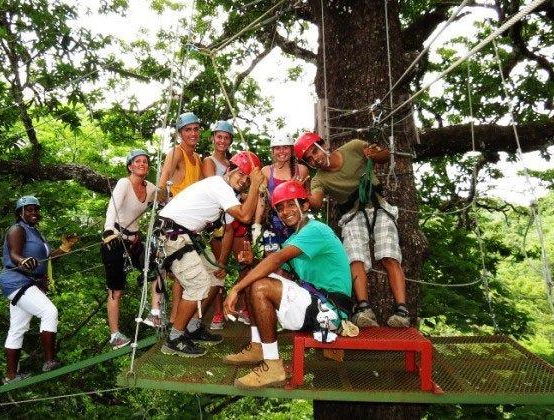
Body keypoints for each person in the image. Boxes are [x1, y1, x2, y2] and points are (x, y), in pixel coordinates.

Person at [222, 181, 353, 388]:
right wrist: (250, 264)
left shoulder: (315, 230)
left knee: (259, 286)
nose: (285, 211)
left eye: (291, 204)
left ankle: (273, 365)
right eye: (280, 207)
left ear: (305, 205)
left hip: (330, 310)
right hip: (316, 302)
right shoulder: (297, 236)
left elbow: (275, 260)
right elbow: (277, 272)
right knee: (254, 278)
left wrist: (235, 288)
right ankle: (258, 346)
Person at [295, 132, 410, 328]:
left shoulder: (354, 148)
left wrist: (375, 153)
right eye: (310, 159)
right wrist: (303, 191)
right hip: (352, 215)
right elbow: (316, 202)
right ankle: (364, 307)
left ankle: (402, 310)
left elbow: (383, 156)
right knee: (355, 257)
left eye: (315, 151)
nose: (315, 159)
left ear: (324, 145)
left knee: (389, 255)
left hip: (379, 206)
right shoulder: (319, 180)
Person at [157, 151, 264, 357]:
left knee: (216, 276)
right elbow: (245, 215)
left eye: (248, 180)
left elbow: (232, 228)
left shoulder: (227, 193)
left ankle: (192, 326)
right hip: (174, 235)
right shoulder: (218, 185)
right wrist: (255, 187)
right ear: (229, 169)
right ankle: (174, 338)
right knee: (198, 284)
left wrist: (222, 263)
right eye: (241, 174)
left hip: (186, 237)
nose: (243, 181)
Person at [0, 196, 79, 383]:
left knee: (17, 328)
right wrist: (23, 261)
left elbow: (46, 259)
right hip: (16, 280)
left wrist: (64, 248)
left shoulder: (36, 233)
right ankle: (49, 361)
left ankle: (11, 376)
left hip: (28, 282)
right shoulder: (17, 229)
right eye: (29, 209)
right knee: (49, 312)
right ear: (20, 213)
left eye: (36, 209)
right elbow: (14, 254)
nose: (34, 212)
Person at [149, 112, 205, 328]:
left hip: (189, 224)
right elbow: (163, 184)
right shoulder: (176, 153)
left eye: (195, 129)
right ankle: (175, 324)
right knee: (186, 276)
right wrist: (160, 198)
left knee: (190, 277)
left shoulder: (197, 159)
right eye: (188, 130)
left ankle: (185, 323)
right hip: (174, 224)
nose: (193, 133)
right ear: (180, 133)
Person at [101, 149, 157, 349]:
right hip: (115, 240)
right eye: (137, 161)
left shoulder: (150, 188)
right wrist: (108, 230)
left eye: (145, 162)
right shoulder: (124, 183)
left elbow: (165, 198)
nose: (142, 164)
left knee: (156, 268)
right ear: (130, 166)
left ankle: (155, 313)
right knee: (116, 291)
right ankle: (115, 335)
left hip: (134, 241)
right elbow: (113, 207)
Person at [201, 121, 239, 330]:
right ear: (213, 138)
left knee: (243, 263)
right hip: (218, 217)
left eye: (226, 137)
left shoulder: (233, 162)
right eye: (219, 137)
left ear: (230, 140)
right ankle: (217, 312)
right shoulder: (209, 161)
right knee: (218, 266)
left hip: (235, 214)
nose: (222, 141)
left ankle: (241, 308)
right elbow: (212, 186)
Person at [253, 136, 310, 256]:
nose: (282, 151)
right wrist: (256, 226)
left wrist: (298, 189)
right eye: (277, 148)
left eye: (285, 147)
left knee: (297, 259)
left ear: (291, 150)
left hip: (297, 222)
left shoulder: (302, 170)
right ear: (272, 151)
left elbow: (308, 200)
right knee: (273, 261)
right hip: (273, 223)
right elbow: (262, 199)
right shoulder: (267, 171)